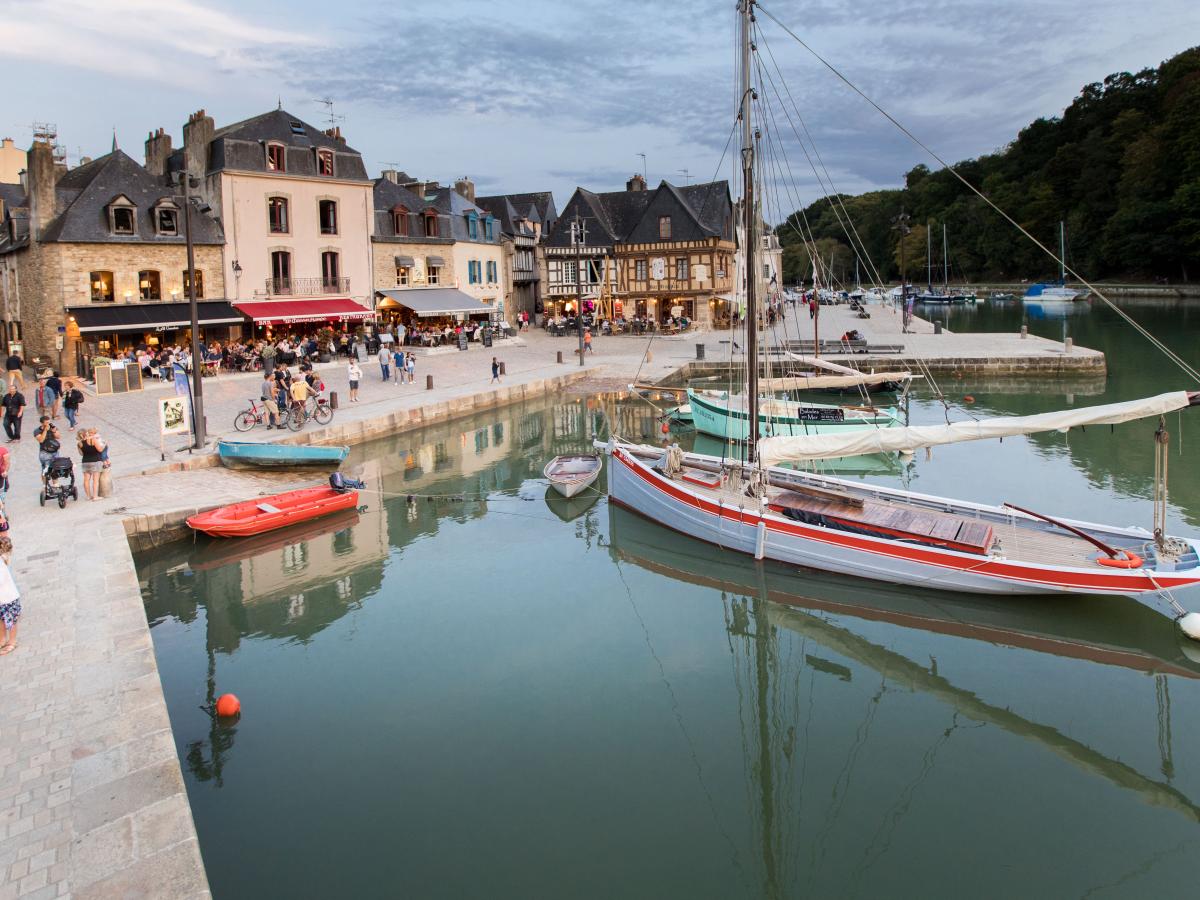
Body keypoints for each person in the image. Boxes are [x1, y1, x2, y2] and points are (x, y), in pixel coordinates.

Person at [0, 537, 19, 656]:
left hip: (8, 598)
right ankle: (2, 639)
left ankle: (12, 641)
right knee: (1, 621)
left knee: (11, 621)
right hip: (2, 599)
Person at [77, 428, 105, 500]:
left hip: (85, 462)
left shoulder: (79, 443)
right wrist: (104, 444)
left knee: (86, 480)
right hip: (95, 461)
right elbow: (100, 449)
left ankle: (88, 496)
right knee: (95, 480)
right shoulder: (93, 440)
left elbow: (81, 454)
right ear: (86, 433)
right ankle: (95, 496)